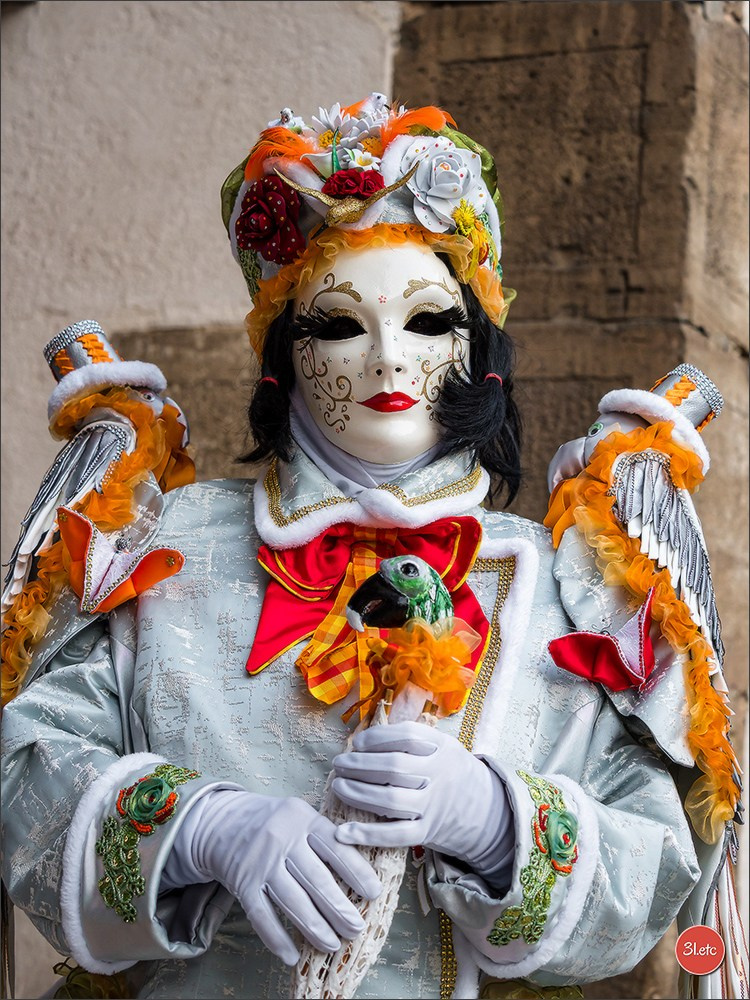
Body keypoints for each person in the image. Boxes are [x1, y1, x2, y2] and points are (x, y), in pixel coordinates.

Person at [1, 95, 744, 1000]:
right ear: (284, 354)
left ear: (479, 347)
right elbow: (27, 785)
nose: (389, 360)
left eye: (429, 321)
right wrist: (197, 829)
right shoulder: (161, 552)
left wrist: (501, 825)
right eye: (341, 325)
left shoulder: (571, 583)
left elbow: (664, 858)